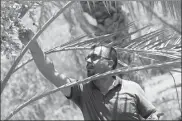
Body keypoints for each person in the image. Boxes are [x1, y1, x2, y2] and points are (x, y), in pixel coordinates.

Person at [18, 28, 160, 120]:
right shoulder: (81, 91)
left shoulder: (132, 88)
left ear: (110, 63)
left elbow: (151, 115)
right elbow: (50, 72)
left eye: (95, 57)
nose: (88, 60)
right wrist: (33, 45)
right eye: (88, 57)